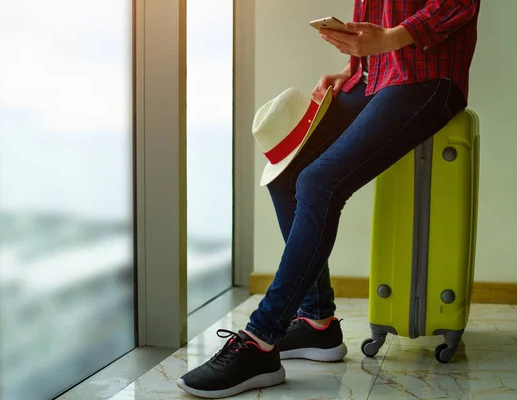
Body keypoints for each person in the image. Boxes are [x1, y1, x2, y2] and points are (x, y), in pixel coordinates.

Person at [178, 0, 480, 398]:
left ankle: (260, 339)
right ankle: (318, 323)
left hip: (427, 79)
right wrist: (354, 69)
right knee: (285, 171)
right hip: (379, 78)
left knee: (320, 181)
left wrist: (390, 38)